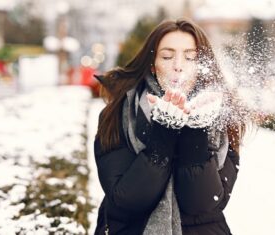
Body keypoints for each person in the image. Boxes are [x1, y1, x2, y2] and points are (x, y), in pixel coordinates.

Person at [93, 18, 246, 235]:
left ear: (202, 66)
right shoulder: (120, 113)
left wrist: (196, 129)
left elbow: (202, 204)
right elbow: (127, 200)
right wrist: (164, 131)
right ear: (153, 65)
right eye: (167, 56)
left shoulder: (221, 118)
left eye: (190, 57)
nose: (178, 65)